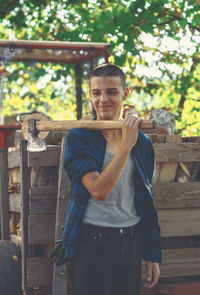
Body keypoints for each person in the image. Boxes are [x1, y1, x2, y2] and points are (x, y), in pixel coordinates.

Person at [52, 63, 162, 295]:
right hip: (92, 243)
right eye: (96, 92)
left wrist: (152, 254)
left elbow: (145, 201)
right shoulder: (79, 137)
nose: (103, 99)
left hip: (131, 242)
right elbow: (99, 190)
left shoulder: (142, 143)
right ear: (90, 95)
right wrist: (125, 145)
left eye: (111, 91)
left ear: (125, 93)